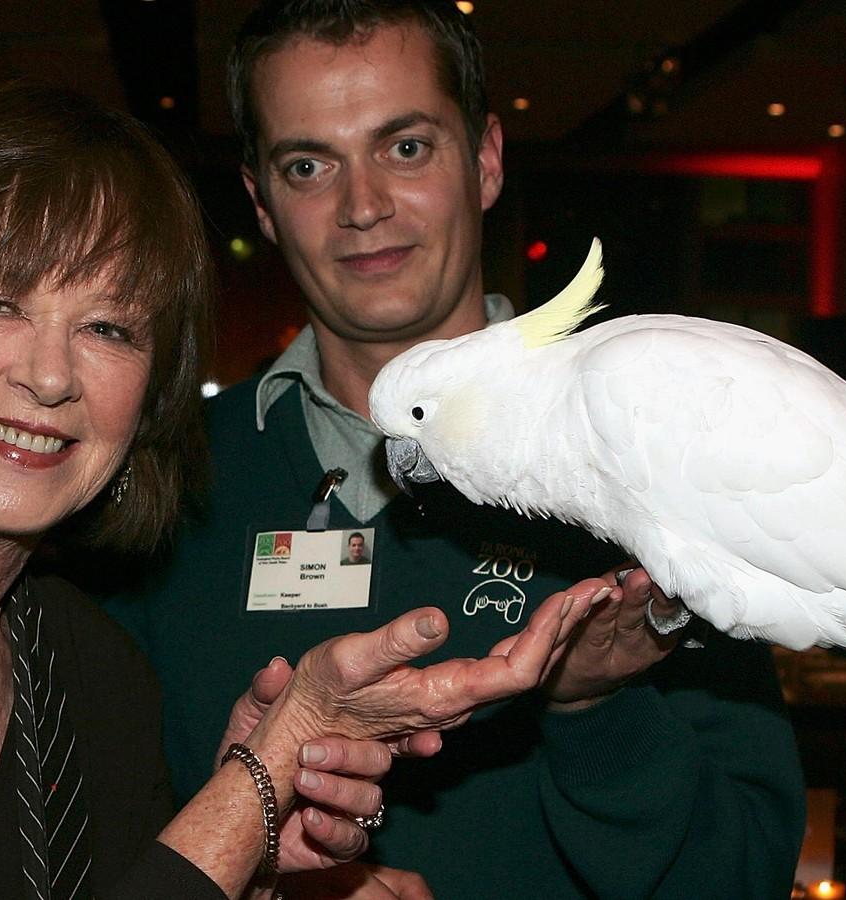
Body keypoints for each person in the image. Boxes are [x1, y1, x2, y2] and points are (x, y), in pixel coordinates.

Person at [0, 82, 609, 900]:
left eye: (109, 329)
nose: (50, 376)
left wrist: (256, 873)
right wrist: (263, 779)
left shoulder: (94, 671)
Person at [103, 2, 807, 897]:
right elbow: (86, 850)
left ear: (484, 160)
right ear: (263, 204)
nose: (363, 206)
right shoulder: (163, 482)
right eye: (310, 164)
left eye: (406, 148)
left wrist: (596, 705)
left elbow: (742, 875)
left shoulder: (647, 466)